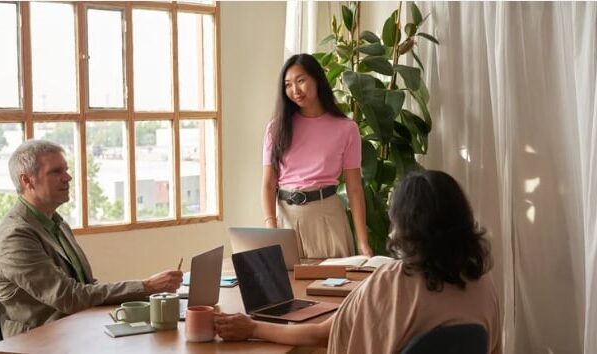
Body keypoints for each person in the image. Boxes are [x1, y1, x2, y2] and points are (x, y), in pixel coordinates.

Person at [215, 170, 502, 354]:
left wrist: (253, 328)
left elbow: (323, 335)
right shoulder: (483, 283)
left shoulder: (391, 282)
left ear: (405, 225)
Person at [0, 140, 183, 338]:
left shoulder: (56, 223)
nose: (67, 177)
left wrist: (147, 293)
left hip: (75, 330)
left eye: (66, 170)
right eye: (56, 172)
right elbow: (68, 297)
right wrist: (146, 286)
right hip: (37, 341)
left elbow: (87, 286)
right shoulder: (15, 236)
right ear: (27, 181)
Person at [262, 53, 372, 258]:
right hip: (286, 221)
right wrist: (271, 227)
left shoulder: (346, 129)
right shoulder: (275, 129)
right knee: (287, 288)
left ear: (317, 79)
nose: (295, 90)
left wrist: (363, 242)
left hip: (327, 218)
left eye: (301, 80)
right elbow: (268, 184)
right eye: (287, 84)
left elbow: (354, 188)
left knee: (332, 288)